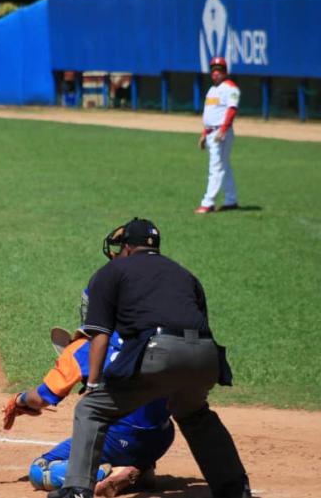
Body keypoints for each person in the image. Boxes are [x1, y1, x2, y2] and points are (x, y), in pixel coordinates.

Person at [50, 218, 250, 498]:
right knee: (194, 414)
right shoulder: (184, 274)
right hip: (207, 356)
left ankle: (77, 490)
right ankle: (234, 489)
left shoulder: (113, 270)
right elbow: (200, 325)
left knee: (91, 410)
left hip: (161, 350)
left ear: (129, 248)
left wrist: (94, 383)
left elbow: (100, 335)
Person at [4, 293, 174, 498]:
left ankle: (106, 473)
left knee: (40, 470)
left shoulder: (85, 346)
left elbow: (40, 399)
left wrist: (20, 399)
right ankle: (140, 468)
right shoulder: (157, 339)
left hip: (117, 439)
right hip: (161, 439)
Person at [196, 56, 239, 214]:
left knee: (215, 168)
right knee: (224, 166)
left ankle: (208, 203)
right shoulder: (212, 89)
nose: (215, 73)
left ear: (225, 72)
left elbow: (231, 109)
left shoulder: (230, 88)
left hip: (221, 133)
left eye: (219, 70)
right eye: (213, 70)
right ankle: (231, 199)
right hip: (211, 133)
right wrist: (204, 133)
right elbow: (210, 114)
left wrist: (223, 129)